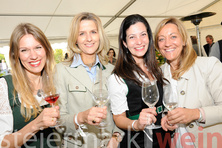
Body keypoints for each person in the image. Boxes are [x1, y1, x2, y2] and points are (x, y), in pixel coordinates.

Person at [54, 12, 123, 148]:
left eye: (93, 32)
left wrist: (116, 137)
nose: (89, 38)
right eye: (82, 34)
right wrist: (81, 117)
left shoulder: (111, 70)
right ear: (75, 39)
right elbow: (58, 122)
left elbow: (119, 112)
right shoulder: (61, 70)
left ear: (100, 35)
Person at [154, 17, 222, 148]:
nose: (167, 43)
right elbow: (165, 108)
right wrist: (167, 119)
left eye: (173, 36)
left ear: (184, 40)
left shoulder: (209, 65)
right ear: (158, 46)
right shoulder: (159, 74)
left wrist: (196, 113)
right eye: (161, 39)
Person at [107, 14, 171, 148]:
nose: (139, 41)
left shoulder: (156, 69)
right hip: (138, 141)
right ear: (124, 43)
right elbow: (118, 118)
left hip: (163, 137)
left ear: (149, 37)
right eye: (132, 37)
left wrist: (167, 116)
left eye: (143, 34)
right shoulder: (117, 78)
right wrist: (136, 125)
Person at [0, 23, 60, 147]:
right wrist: (36, 125)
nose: (33, 56)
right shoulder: (4, 86)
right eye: (24, 50)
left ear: (46, 50)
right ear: (15, 55)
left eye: (38, 47)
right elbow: (3, 144)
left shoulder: (55, 81)